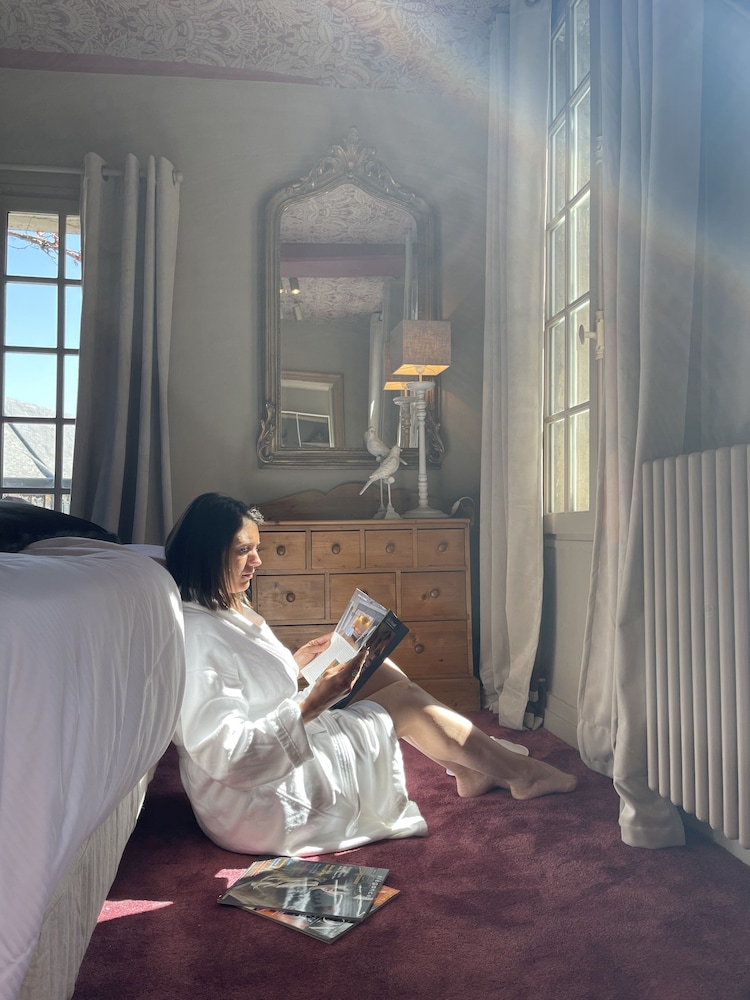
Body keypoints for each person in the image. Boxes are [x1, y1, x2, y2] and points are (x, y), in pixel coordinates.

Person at [165, 492, 577, 857]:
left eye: (257, 548)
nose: (257, 561)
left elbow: (250, 685)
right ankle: (521, 774)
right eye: (243, 551)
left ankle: (471, 769)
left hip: (274, 748)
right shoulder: (200, 640)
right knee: (406, 702)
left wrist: (297, 662)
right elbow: (230, 758)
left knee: (382, 671)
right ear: (206, 554)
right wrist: (313, 704)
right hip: (258, 804)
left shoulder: (223, 607)